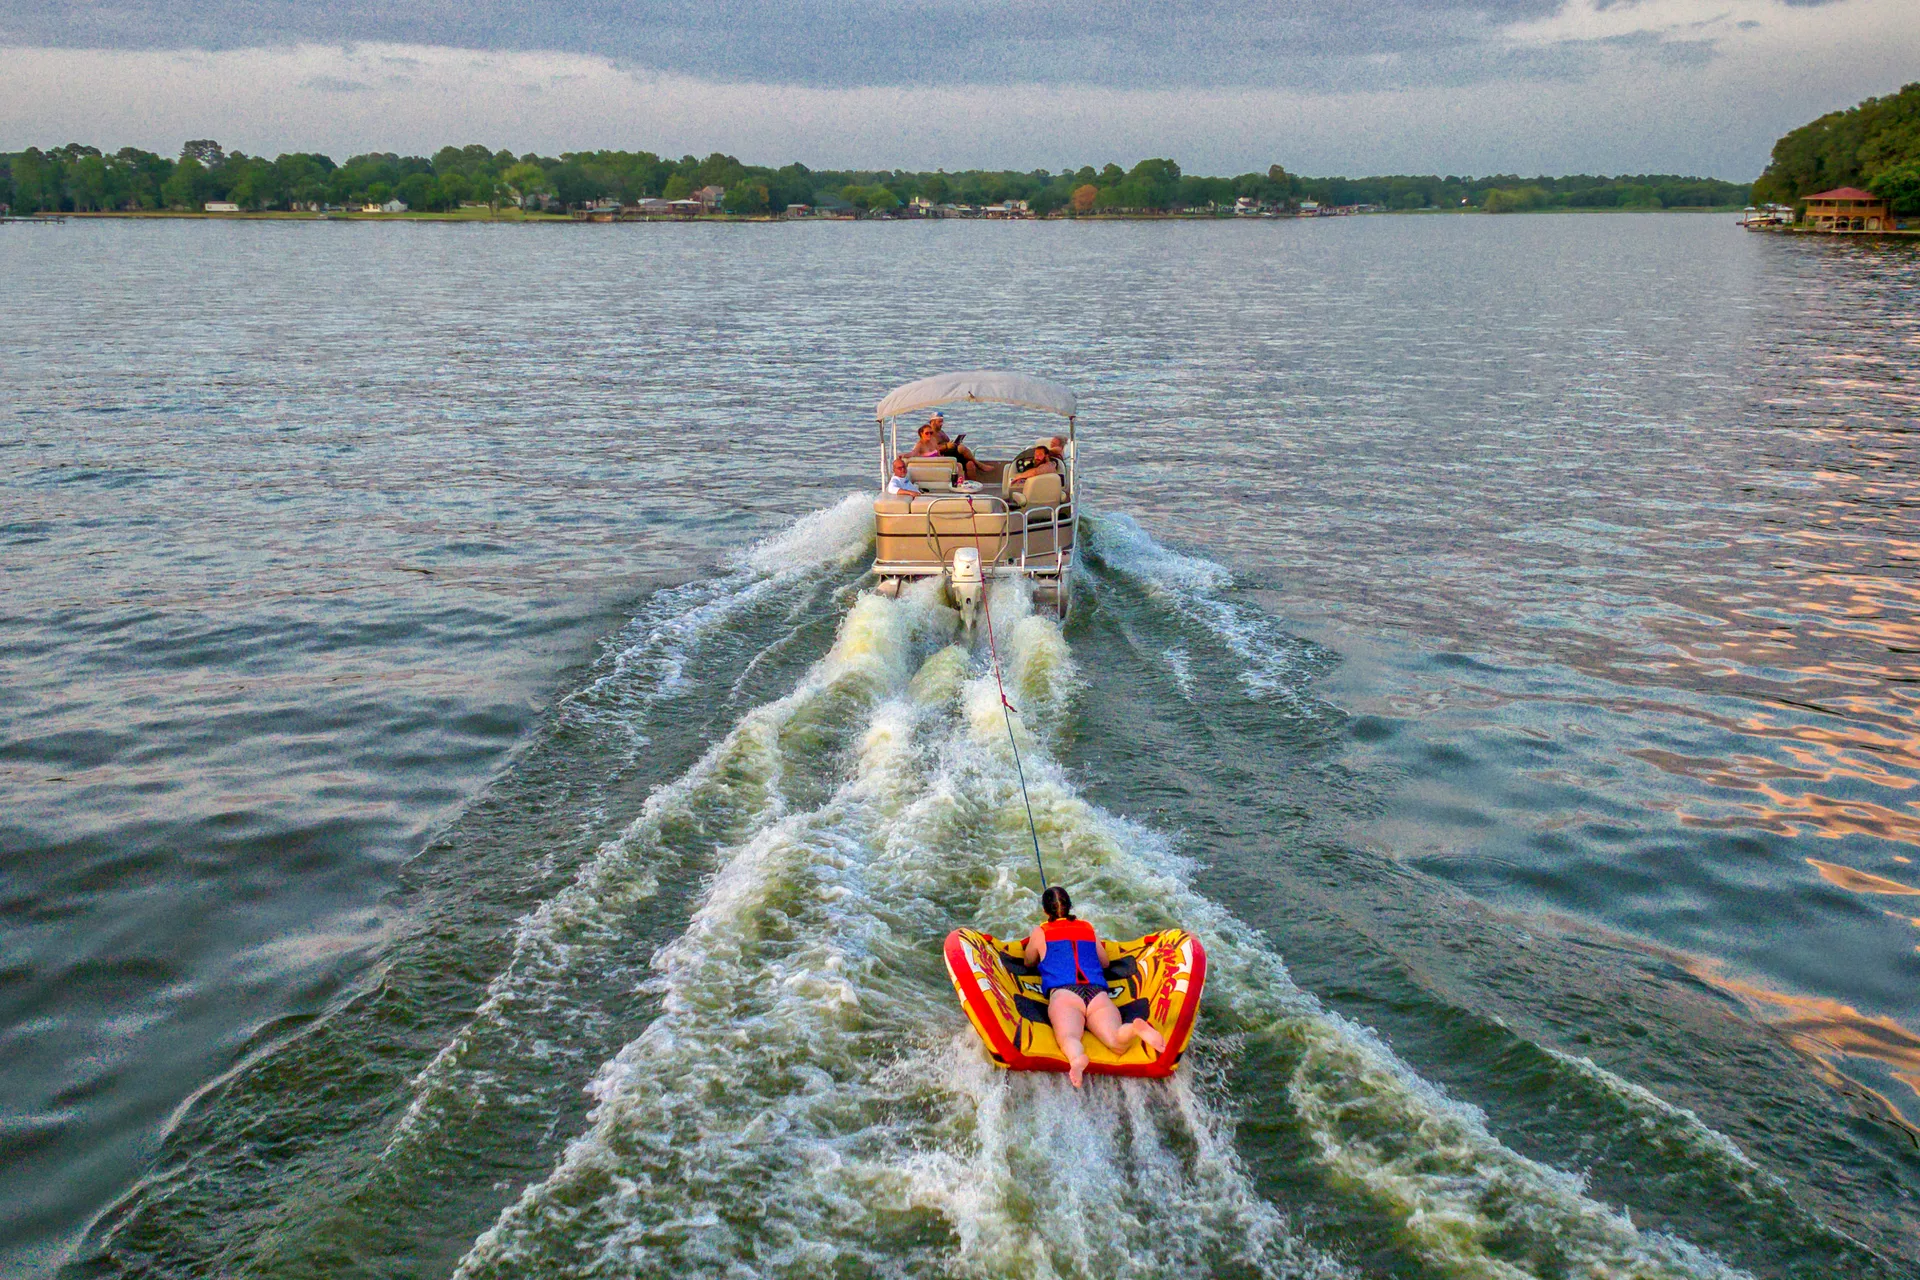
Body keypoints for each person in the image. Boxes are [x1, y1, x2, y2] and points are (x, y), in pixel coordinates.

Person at [1022, 886, 1165, 1086]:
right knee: (1116, 1042)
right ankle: (1134, 1028)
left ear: (1046, 911)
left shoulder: (1040, 932)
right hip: (1097, 992)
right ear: (1070, 907)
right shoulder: (1087, 928)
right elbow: (1105, 962)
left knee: (1069, 1037)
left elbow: (1028, 961)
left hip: (1064, 994)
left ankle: (1077, 1059)